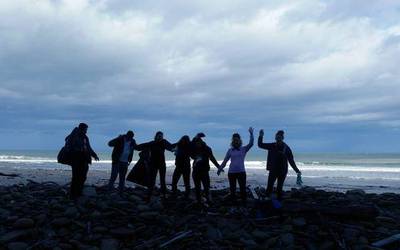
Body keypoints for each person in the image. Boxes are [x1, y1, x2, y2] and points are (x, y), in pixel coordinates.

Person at [258, 129, 302, 200]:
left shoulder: (286, 148)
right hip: (273, 170)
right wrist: (261, 136)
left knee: (279, 188)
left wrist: (297, 170)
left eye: (280, 137)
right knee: (269, 187)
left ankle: (279, 202)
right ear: (275, 138)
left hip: (283, 171)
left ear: (282, 138)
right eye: (277, 137)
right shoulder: (272, 145)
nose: (278, 138)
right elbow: (260, 145)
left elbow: (291, 161)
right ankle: (267, 201)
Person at [218, 127, 254, 205]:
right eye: (234, 140)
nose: (236, 141)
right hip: (231, 173)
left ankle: (244, 203)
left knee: (242, 189)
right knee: (232, 189)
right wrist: (220, 168)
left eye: (237, 139)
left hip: (241, 172)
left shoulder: (243, 149)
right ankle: (234, 203)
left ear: (239, 140)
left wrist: (251, 134)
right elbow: (225, 161)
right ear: (233, 141)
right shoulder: (230, 150)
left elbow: (251, 144)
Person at [136, 131, 174, 200]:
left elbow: (170, 147)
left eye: (161, 136)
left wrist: (181, 143)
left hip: (162, 164)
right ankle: (149, 195)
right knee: (152, 180)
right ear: (156, 136)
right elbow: (141, 146)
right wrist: (134, 146)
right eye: (159, 136)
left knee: (162, 180)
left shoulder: (164, 142)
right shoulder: (152, 143)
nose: (160, 137)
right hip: (153, 164)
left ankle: (164, 195)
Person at [65, 123, 99, 200]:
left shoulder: (85, 137)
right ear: (81, 129)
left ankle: (79, 192)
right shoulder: (73, 136)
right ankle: (73, 194)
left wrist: (94, 155)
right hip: (76, 160)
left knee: (83, 177)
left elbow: (88, 148)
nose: (86, 131)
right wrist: (77, 151)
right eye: (85, 129)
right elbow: (69, 147)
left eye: (86, 130)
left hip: (84, 160)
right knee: (76, 177)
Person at [190, 133, 220, 204]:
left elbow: (212, 158)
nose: (197, 145)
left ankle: (209, 200)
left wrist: (218, 167)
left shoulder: (207, 149)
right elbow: (191, 145)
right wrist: (196, 136)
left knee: (206, 187)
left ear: (201, 142)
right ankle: (199, 201)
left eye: (198, 143)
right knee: (197, 188)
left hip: (204, 171)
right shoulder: (194, 148)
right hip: (196, 171)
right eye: (196, 143)